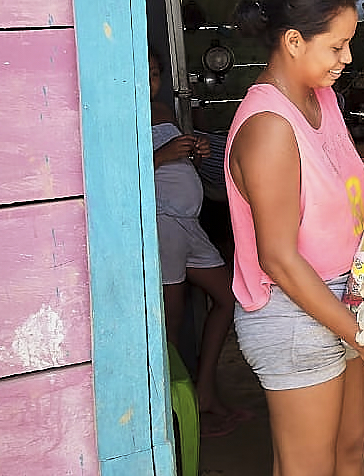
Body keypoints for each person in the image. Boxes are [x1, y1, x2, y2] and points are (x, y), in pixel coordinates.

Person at [224, 0, 364, 476]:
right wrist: (360, 336)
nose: (348, 57)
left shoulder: (322, 99)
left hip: (343, 295)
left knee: (349, 447)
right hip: (296, 309)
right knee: (308, 467)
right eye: (337, 46)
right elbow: (278, 256)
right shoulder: (268, 126)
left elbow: (338, 182)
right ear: (294, 41)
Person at [149, 47, 248, 438]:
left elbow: (171, 164)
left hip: (188, 225)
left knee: (227, 298)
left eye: (157, 74)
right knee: (169, 325)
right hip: (161, 225)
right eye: (146, 74)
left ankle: (204, 392)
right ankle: (174, 419)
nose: (152, 82)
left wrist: (192, 155)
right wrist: (162, 154)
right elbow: (120, 170)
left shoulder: (163, 111)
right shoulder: (120, 110)